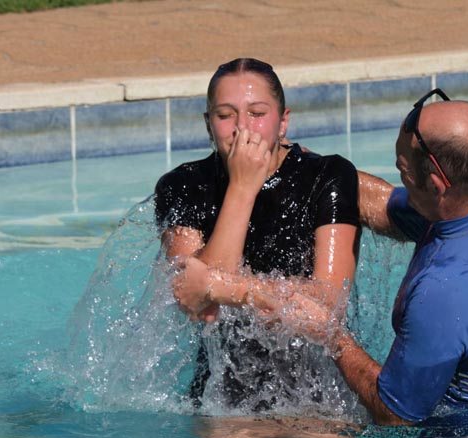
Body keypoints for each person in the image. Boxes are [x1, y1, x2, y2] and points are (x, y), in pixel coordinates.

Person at [279, 89, 468, 428]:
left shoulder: (446, 289)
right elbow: (385, 206)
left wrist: (331, 333)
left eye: (403, 172)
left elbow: (395, 415)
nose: (402, 181)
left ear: (436, 186)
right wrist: (306, 167)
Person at [154, 58, 361, 412]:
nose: (242, 128)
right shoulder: (183, 186)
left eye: (257, 113)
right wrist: (242, 187)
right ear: (208, 124)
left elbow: (328, 305)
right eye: (225, 115)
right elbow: (197, 304)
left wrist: (233, 289)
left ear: (283, 122)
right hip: (222, 393)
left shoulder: (327, 176)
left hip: (313, 386)